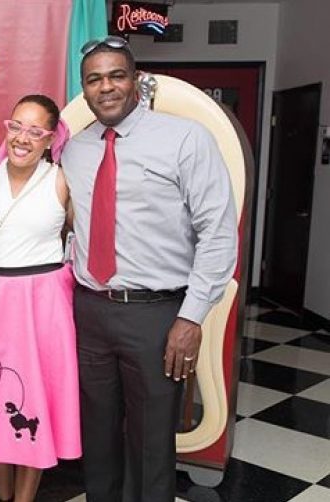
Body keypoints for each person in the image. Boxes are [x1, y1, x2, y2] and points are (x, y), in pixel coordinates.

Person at [61, 37, 238, 501]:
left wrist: (191, 317)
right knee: (97, 437)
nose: (106, 87)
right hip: (89, 310)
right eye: (94, 79)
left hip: (157, 315)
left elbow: (218, 234)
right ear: (84, 89)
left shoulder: (185, 139)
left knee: (151, 441)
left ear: (136, 80)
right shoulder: (74, 150)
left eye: (116, 75)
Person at [0, 95, 81, 502]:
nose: (22, 138)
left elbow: (87, 238)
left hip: (43, 307)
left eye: (35, 131)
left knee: (36, 401)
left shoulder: (61, 180)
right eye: (16, 127)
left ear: (50, 138)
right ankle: (5, 496)